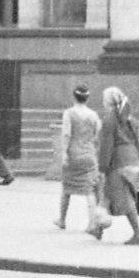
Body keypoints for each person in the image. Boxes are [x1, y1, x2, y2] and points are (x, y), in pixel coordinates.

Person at [97, 85, 139, 245]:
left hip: (119, 163)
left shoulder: (110, 119)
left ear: (108, 102)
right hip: (132, 160)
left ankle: (138, 234)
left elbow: (107, 145)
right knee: (108, 194)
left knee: (126, 200)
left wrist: (102, 167)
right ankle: (97, 229)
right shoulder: (128, 117)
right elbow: (137, 141)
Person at [54, 84, 102, 231]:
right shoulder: (93, 115)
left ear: (74, 96)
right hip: (89, 154)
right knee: (90, 191)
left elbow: (66, 134)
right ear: (87, 98)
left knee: (66, 188)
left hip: (73, 154)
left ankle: (62, 219)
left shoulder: (69, 113)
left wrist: (64, 152)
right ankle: (93, 223)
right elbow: (98, 133)